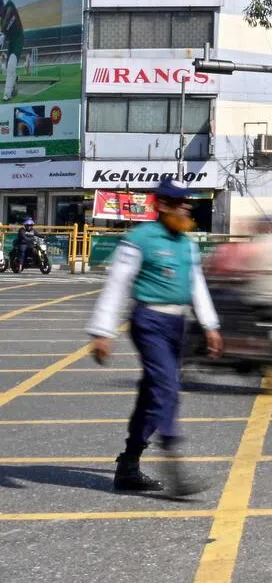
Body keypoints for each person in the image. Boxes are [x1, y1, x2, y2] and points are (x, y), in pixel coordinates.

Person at [87, 178, 223, 496]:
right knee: (167, 387)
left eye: (186, 202)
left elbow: (196, 285)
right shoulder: (141, 239)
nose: (185, 207)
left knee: (152, 396)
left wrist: (210, 325)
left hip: (177, 323)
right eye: (178, 203)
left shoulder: (186, 244)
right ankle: (174, 458)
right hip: (149, 321)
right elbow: (118, 284)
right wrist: (103, 331)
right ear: (162, 205)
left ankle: (129, 465)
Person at [0, 0, 23, 101]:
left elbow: (8, 12)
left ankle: (7, 94)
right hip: (11, 43)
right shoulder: (2, 25)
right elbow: (4, 38)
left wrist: (3, 30)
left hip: (19, 38)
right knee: (10, 69)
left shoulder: (9, 4)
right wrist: (2, 37)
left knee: (11, 65)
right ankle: (14, 85)